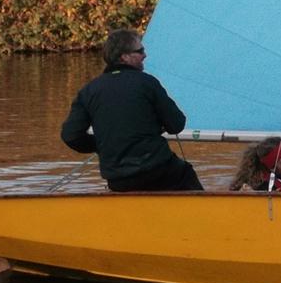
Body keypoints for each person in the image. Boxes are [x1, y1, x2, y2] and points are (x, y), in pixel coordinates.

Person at [61, 28, 203, 193]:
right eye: (140, 51)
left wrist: (102, 145)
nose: (145, 55)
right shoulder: (147, 83)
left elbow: (70, 136)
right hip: (158, 171)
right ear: (124, 57)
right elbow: (177, 124)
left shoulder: (88, 91)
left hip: (118, 179)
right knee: (186, 175)